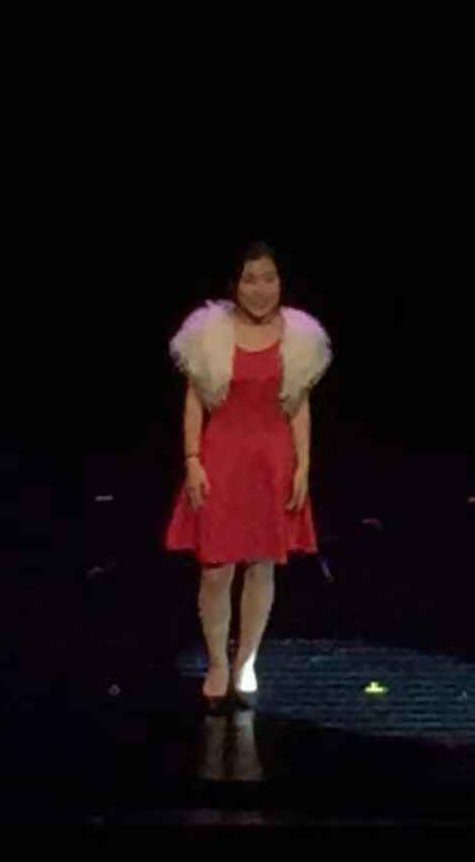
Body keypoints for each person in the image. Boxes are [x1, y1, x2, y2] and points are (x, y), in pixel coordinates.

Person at [164, 241, 333, 713]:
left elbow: (299, 406)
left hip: (272, 462)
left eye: (269, 278)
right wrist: (192, 459)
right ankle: (218, 661)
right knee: (216, 568)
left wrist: (303, 466)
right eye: (250, 279)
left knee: (262, 564)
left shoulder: (298, 337)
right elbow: (194, 400)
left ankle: (247, 660)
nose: (260, 289)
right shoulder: (209, 334)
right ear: (234, 284)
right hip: (221, 459)